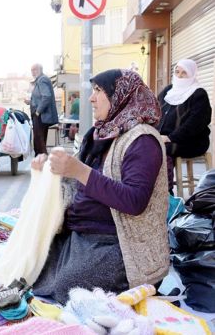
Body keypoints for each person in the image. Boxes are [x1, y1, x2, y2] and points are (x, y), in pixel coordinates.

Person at [30, 69, 170, 304]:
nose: (91, 98)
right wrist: (48, 170)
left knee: (69, 288)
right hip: (86, 232)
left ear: (120, 96)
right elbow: (74, 181)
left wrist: (80, 171)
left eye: (98, 91)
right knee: (34, 266)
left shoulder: (143, 141)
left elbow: (134, 201)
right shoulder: (100, 133)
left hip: (122, 242)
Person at [156, 59, 211, 193]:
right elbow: (154, 110)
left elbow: (195, 124)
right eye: (177, 72)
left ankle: (165, 194)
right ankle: (151, 190)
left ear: (192, 74)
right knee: (147, 146)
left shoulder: (198, 94)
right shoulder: (169, 90)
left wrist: (170, 137)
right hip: (165, 139)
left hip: (191, 141)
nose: (179, 76)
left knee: (163, 150)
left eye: (184, 73)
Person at [24, 63, 59, 156]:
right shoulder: (40, 80)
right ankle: (41, 160)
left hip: (41, 116)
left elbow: (46, 96)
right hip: (40, 115)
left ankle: (43, 161)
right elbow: (40, 98)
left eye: (34, 70)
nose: (33, 72)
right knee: (39, 140)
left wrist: (38, 111)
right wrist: (30, 102)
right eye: (32, 70)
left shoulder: (42, 79)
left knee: (39, 141)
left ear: (40, 70)